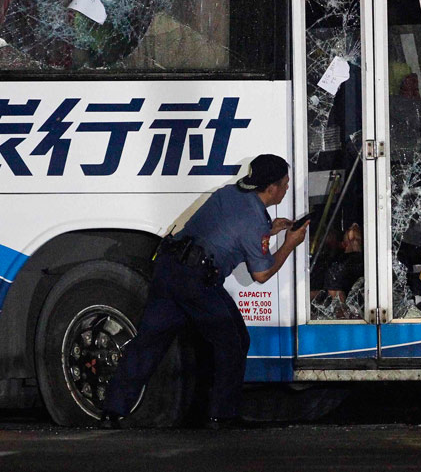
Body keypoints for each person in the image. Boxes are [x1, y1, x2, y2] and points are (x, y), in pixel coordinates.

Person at [101, 154, 308, 428]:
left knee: (149, 342)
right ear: (271, 188)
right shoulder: (254, 222)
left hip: (168, 269)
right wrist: (289, 244)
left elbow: (226, 228)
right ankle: (222, 416)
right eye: (285, 183)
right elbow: (261, 274)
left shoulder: (229, 193)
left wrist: (270, 229)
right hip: (195, 281)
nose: (287, 187)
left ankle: (112, 411)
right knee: (233, 341)